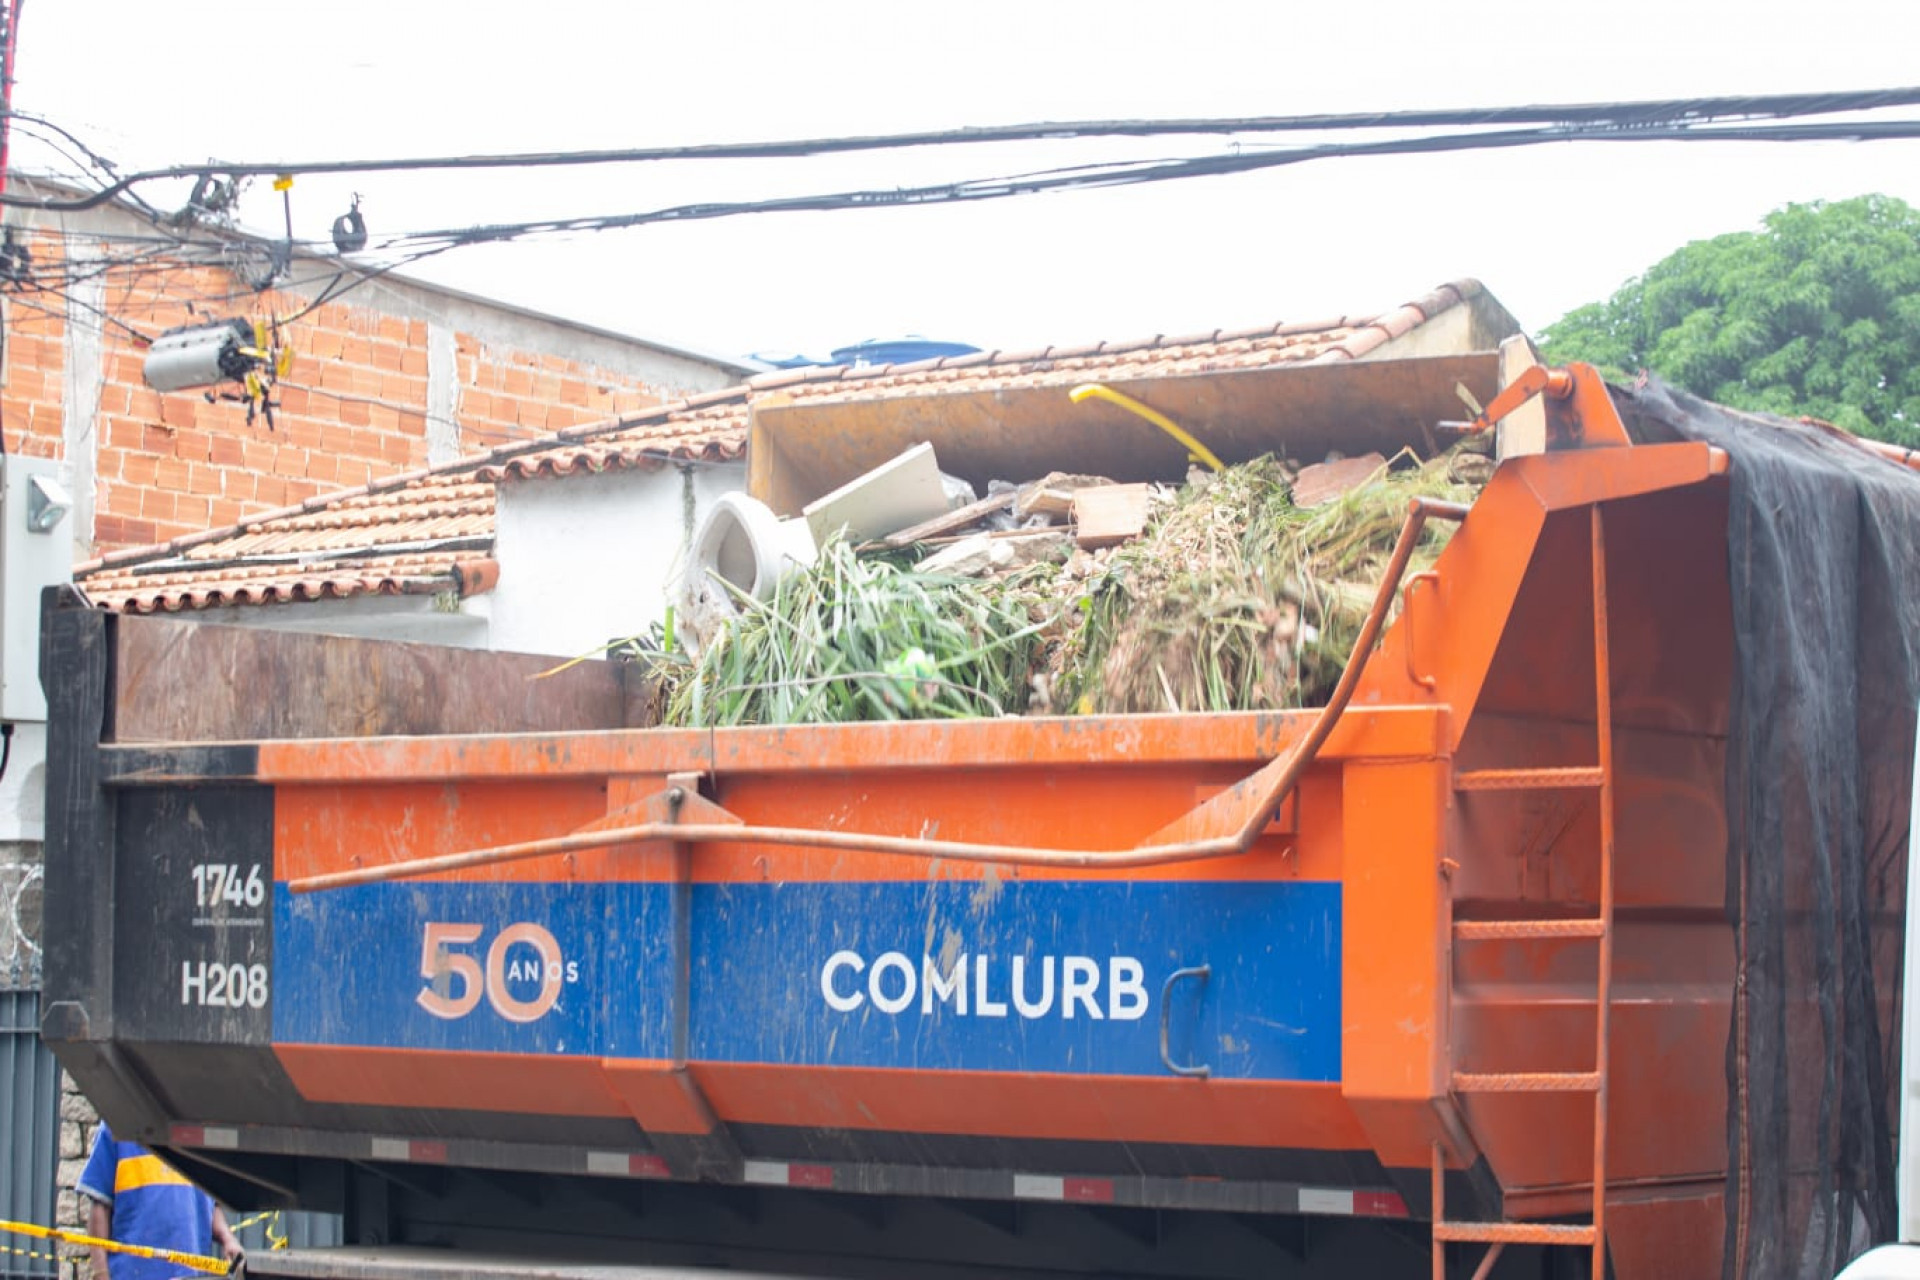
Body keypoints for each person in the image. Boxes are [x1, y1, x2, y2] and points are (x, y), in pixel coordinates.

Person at [75, 1122, 245, 1279]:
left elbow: (209, 1202)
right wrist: (101, 1272)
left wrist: (228, 1238)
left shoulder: (200, 1131)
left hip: (190, 1273)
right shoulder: (117, 1127)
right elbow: (100, 1206)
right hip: (132, 1273)